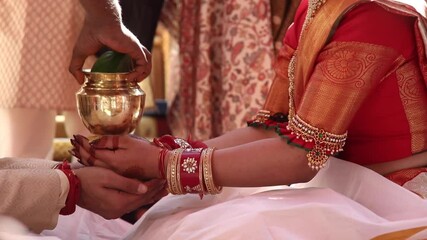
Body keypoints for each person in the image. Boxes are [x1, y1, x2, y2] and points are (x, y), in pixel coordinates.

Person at [72, 0, 427, 238]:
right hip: (344, 183)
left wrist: (167, 164)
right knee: (177, 217)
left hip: (396, 194)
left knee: (238, 227)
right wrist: (165, 155)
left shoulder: (372, 17)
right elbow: (272, 126)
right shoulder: (316, 9)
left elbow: (301, 156)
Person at [0, 0, 157, 235]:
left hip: (91, 15)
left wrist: (107, 17)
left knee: (102, 144)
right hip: (32, 15)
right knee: (24, 143)